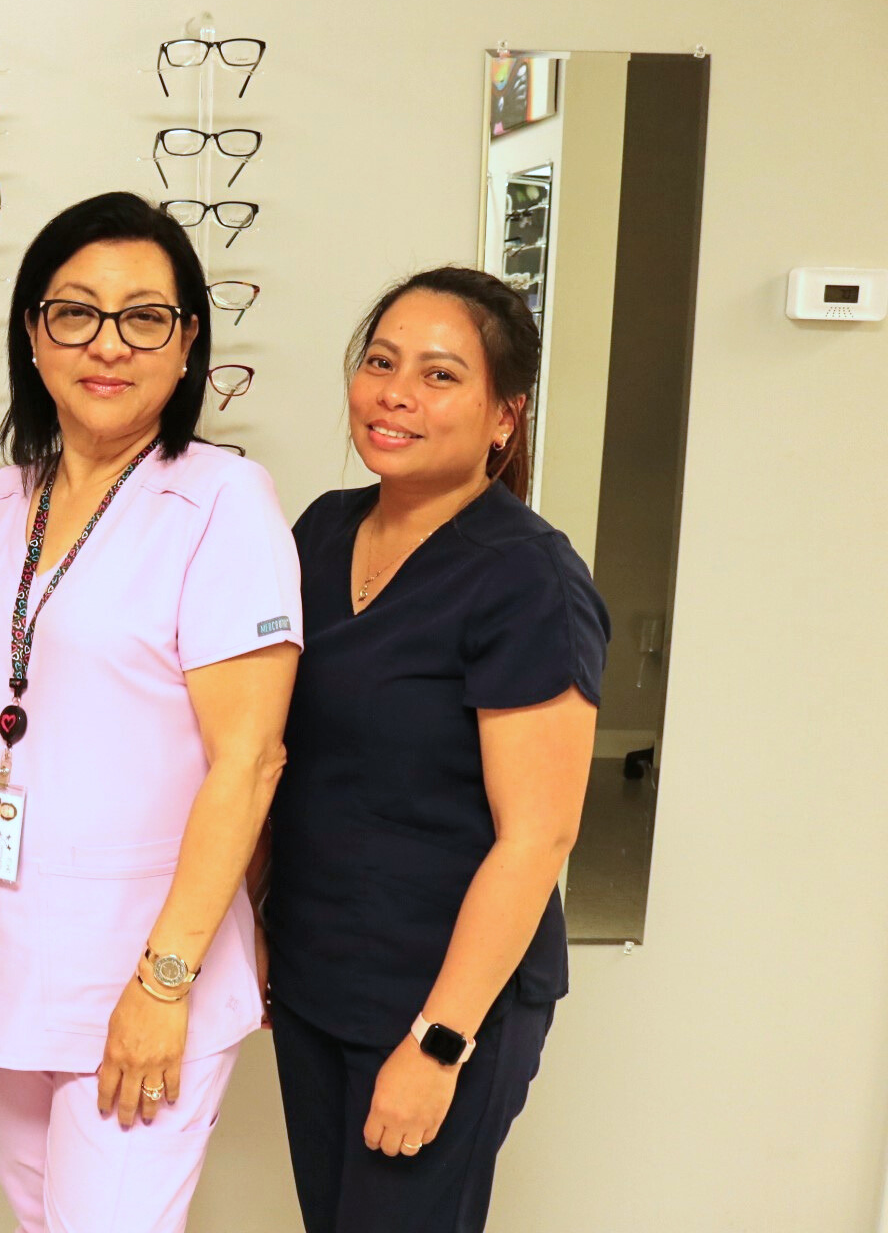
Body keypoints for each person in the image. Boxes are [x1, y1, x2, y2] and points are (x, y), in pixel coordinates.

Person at [0, 191, 303, 1233]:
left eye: (145, 316)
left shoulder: (223, 501)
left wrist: (165, 981)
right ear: (33, 336)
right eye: (76, 312)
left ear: (188, 345)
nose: (108, 343)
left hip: (142, 965)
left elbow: (251, 760)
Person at [262, 266, 610, 1231]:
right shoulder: (323, 533)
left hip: (442, 1002)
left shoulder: (527, 578)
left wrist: (438, 1044)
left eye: (440, 375)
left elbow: (537, 838)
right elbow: (274, 754)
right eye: (380, 362)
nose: (396, 394)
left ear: (506, 416)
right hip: (319, 979)